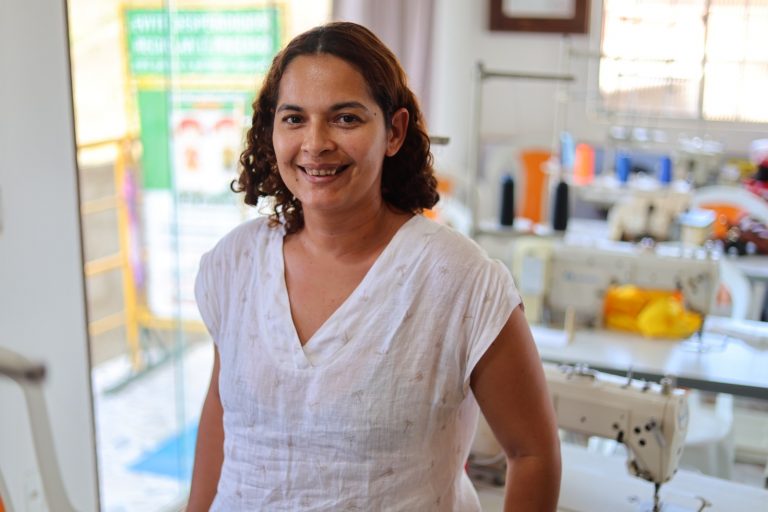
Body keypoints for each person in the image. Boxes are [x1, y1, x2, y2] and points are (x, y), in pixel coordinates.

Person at [187, 21, 561, 511]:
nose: (315, 143)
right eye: (294, 118)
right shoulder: (235, 264)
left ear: (394, 132)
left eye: (345, 118)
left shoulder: (460, 281)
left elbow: (533, 454)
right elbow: (223, 414)